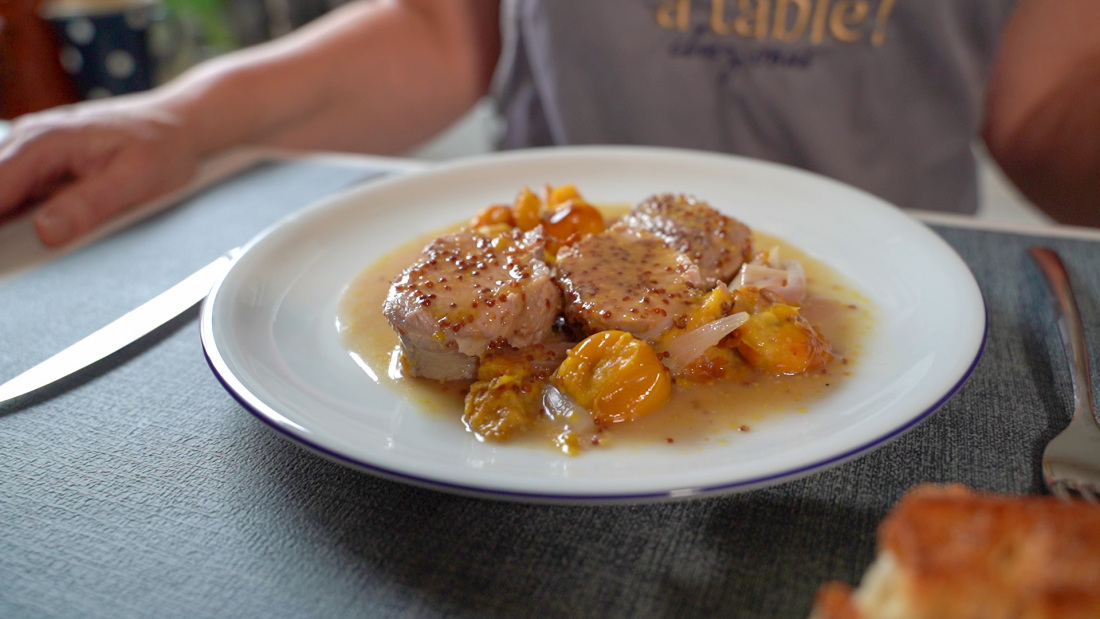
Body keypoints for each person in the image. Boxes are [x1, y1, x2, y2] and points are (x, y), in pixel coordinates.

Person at [0, 0, 1097, 247]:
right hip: (539, 287)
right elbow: (445, 31)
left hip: (894, 314)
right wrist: (180, 118)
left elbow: (1044, 111)